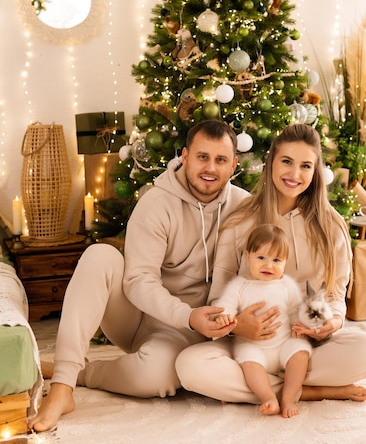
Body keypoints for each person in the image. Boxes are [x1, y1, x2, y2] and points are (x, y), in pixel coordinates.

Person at [29, 119, 250, 432]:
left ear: (234, 165)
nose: (210, 168)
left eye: (220, 160)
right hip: (143, 318)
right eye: (202, 157)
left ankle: (85, 373)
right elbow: (138, 282)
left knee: (156, 378)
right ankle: (64, 385)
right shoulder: (156, 203)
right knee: (100, 255)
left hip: (199, 331)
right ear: (185, 156)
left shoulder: (245, 207)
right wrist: (187, 316)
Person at [176, 123, 366, 405]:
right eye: (286, 161)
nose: (294, 175)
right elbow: (220, 295)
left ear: (315, 171)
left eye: (305, 166)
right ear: (271, 161)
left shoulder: (330, 225)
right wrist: (237, 326)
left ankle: (260, 388)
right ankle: (308, 390)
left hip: (305, 345)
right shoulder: (240, 219)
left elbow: (335, 294)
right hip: (250, 344)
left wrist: (330, 324)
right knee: (190, 366)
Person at [213, 223, 311, 417]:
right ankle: (268, 397)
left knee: (300, 351)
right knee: (248, 360)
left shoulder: (286, 285)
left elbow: (296, 309)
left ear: (285, 262)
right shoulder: (240, 285)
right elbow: (226, 305)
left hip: (283, 344)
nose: (268, 265)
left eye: (276, 260)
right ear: (247, 257)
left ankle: (288, 397)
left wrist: (300, 326)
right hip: (254, 346)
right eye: (261, 258)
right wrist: (225, 315)